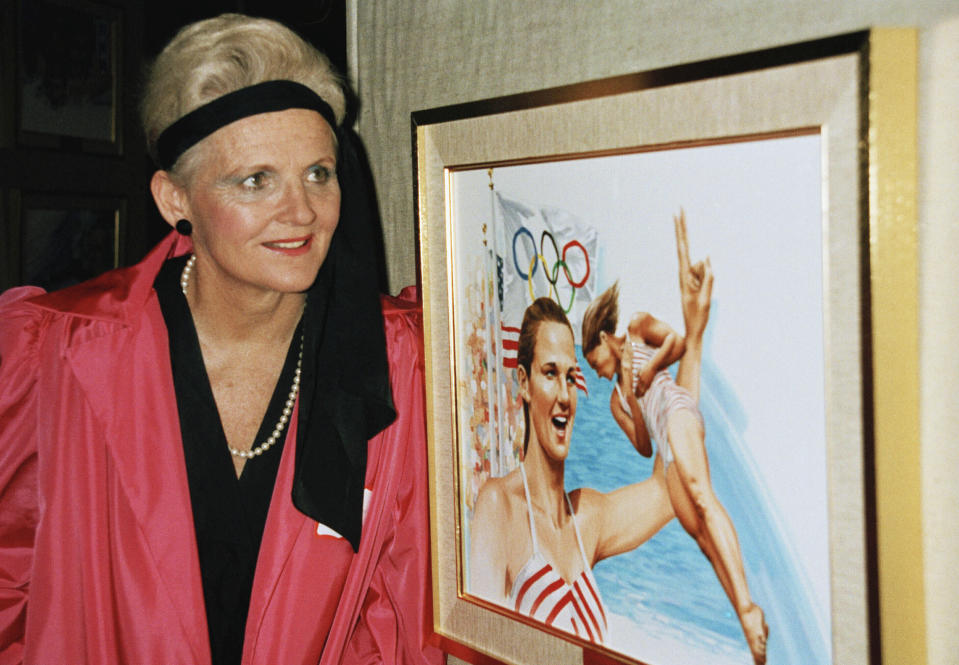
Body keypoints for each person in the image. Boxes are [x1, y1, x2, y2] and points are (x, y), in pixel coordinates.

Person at [0, 14, 441, 665]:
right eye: (255, 179)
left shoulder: (397, 362)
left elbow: (396, 618)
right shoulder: (55, 352)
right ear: (174, 197)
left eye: (318, 173)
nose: (300, 211)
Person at [468, 216, 713, 646]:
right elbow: (479, 649)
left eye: (571, 376)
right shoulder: (498, 507)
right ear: (523, 383)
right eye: (549, 373)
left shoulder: (588, 519)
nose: (564, 394)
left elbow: (671, 486)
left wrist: (693, 339)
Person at [580, 212, 768, 664]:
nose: (597, 370)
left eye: (597, 360)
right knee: (699, 535)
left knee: (703, 497)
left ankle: (747, 607)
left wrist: (644, 370)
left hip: (678, 410)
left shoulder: (639, 328)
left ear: (607, 337)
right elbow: (644, 445)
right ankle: (749, 623)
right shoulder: (614, 399)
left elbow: (678, 345)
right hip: (663, 438)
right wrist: (630, 396)